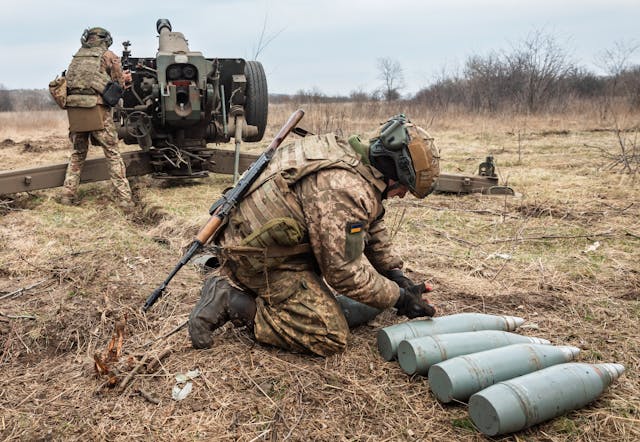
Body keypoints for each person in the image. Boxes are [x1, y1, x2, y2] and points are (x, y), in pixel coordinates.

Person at [189, 114, 441, 356]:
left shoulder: (349, 155)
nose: (402, 195)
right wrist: (399, 298)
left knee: (364, 301)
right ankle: (230, 300)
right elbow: (343, 274)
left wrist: (394, 274)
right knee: (329, 334)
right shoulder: (344, 188)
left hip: (259, 240)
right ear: (393, 171)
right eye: (404, 188)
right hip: (257, 260)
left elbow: (371, 219)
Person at [60, 27, 133, 208]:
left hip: (76, 111)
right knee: (113, 154)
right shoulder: (108, 55)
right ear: (105, 39)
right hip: (97, 111)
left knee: (77, 154)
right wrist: (126, 78)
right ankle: (124, 199)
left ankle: (67, 196)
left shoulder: (77, 56)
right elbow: (118, 85)